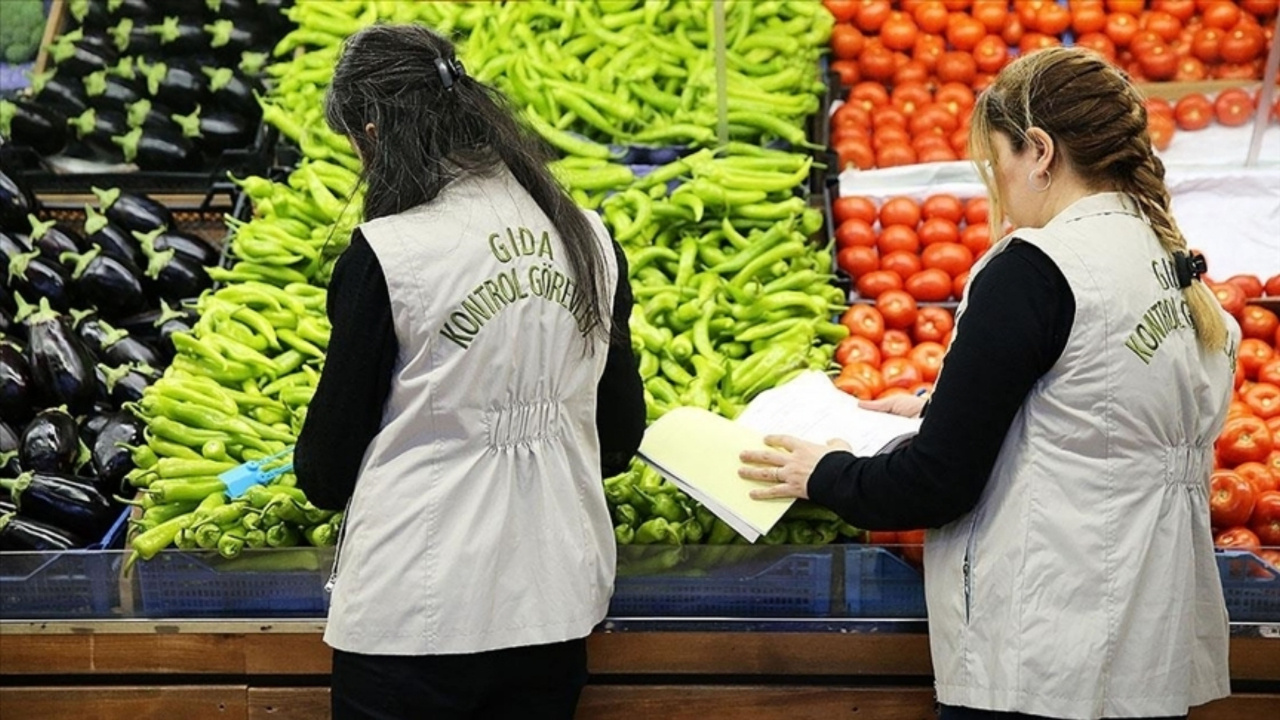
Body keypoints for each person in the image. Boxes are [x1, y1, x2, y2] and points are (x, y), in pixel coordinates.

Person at [739, 46, 1238, 720]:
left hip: (1042, 661)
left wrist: (823, 473)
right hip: (1145, 657)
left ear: (1038, 151)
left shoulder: (1036, 269)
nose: (997, 183)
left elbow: (938, 484)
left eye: (996, 159)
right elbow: (1098, 414)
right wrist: (935, 406)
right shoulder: (1167, 264)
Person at [292, 24, 646, 720]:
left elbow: (324, 475)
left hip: (413, 618)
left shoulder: (388, 254)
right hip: (554, 608)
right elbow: (620, 436)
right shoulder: (589, 236)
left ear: (372, 134)